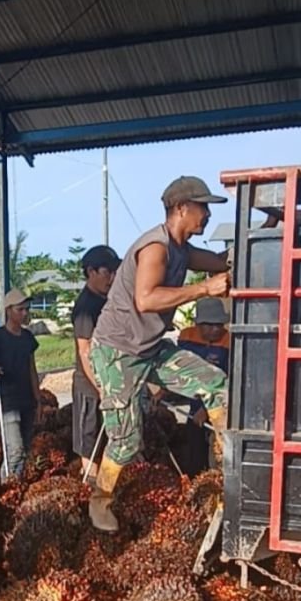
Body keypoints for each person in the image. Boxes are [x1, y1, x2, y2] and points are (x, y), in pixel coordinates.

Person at [89, 176, 231, 532]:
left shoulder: (183, 249)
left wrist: (266, 231)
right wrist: (203, 289)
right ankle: (100, 500)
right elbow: (146, 299)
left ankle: (232, 465)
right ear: (182, 208)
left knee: (215, 383)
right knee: (125, 440)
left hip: (151, 348)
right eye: (203, 207)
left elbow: (219, 262)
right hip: (118, 352)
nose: (208, 215)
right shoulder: (156, 247)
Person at [71, 245, 121, 485]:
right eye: (106, 272)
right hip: (90, 387)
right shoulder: (85, 307)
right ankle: (89, 488)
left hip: (114, 384)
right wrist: (101, 388)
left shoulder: (108, 301)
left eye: (114, 272)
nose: (111, 278)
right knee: (89, 443)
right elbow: (85, 350)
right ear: (91, 271)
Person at [0, 288, 41, 479]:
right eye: (20, 309)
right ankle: (7, 488)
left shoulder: (28, 338)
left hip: (26, 401)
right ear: (8, 310)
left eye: (26, 309)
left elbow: (32, 369)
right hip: (6, 402)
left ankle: (16, 486)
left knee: (26, 448)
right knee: (14, 450)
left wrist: (38, 400)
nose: (25, 313)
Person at [174, 297, 232, 474]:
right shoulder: (186, 337)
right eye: (211, 325)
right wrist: (161, 393)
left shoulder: (230, 341)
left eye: (220, 325)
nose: (217, 329)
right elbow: (177, 370)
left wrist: (206, 410)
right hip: (194, 402)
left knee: (219, 454)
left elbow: (231, 381)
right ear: (199, 325)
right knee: (194, 450)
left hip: (221, 405)